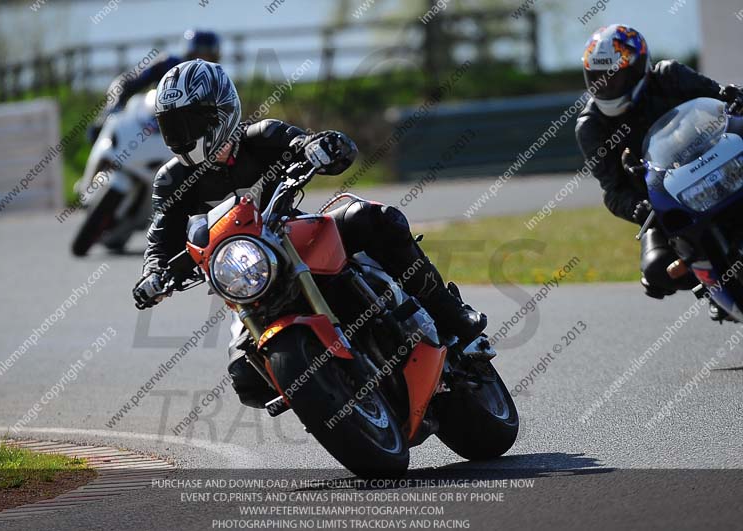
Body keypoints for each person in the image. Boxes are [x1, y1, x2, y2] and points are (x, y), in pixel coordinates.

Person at [131, 59, 488, 408]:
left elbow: (301, 144)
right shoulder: (172, 179)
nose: (182, 135)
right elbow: (161, 235)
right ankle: (330, 392)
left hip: (298, 238)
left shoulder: (262, 136)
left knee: (374, 219)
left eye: (190, 121)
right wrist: (154, 274)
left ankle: (452, 316)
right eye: (172, 126)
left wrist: (319, 147)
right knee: (246, 377)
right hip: (250, 276)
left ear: (220, 112)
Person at [575, 24, 743, 318]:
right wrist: (638, 208)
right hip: (664, 201)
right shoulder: (591, 127)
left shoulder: (670, 76)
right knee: (657, 271)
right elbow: (613, 191)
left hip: (717, 164)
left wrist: (735, 97)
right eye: (598, 78)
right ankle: (711, 284)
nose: (605, 85)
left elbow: (721, 100)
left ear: (639, 68)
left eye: (613, 76)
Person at [88, 29, 222, 142]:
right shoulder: (168, 65)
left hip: (191, 143)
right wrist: (110, 111)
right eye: (197, 55)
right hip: (152, 133)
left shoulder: (219, 82)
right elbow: (125, 83)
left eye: (208, 57)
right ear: (188, 54)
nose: (201, 62)